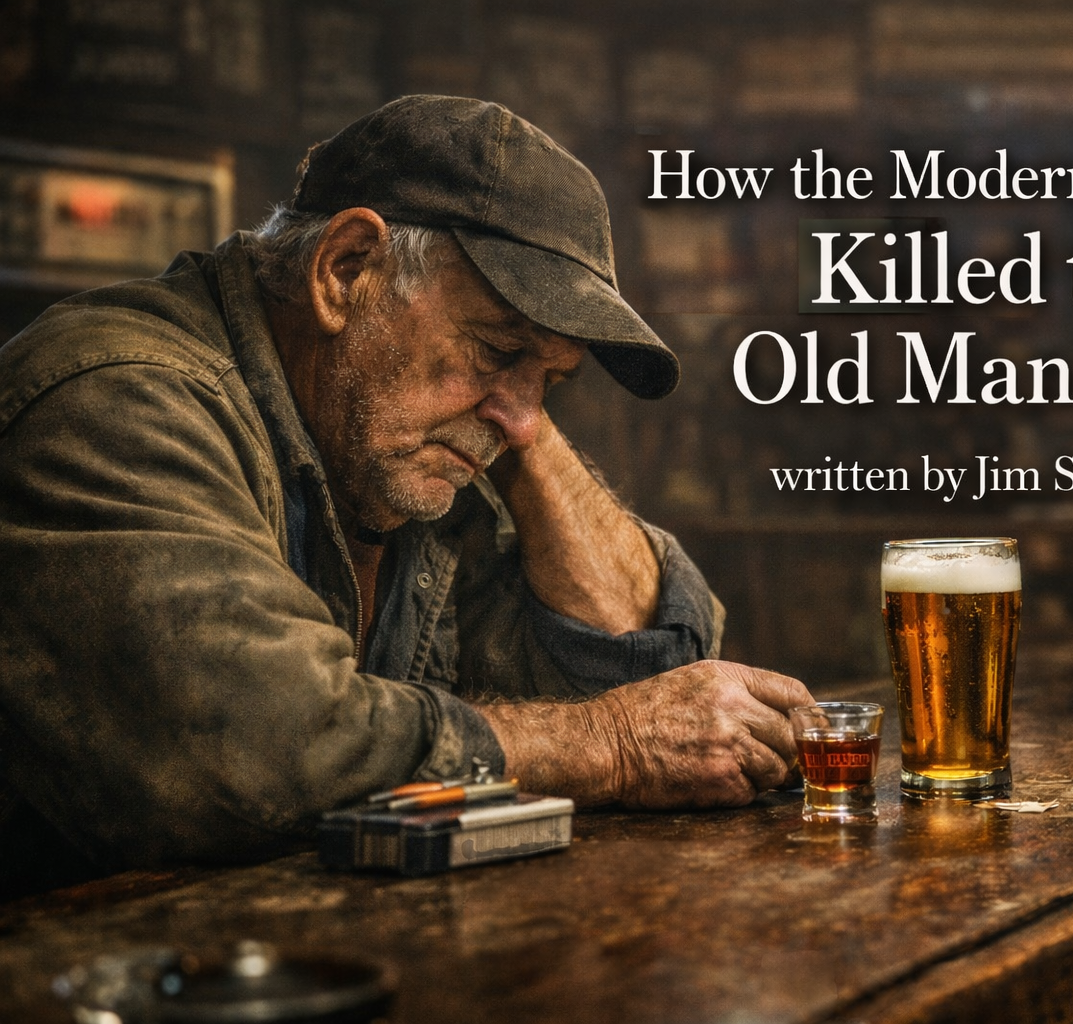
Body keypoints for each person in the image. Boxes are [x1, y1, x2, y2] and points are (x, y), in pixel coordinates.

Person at [0, 95, 811, 897]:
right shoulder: (113, 403)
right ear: (346, 269)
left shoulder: (405, 456)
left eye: (554, 381)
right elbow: (266, 748)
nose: (524, 419)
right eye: (496, 347)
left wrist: (518, 423)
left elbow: (648, 660)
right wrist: (613, 744)